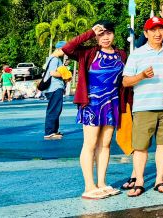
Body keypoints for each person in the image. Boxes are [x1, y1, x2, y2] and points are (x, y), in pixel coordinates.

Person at [62, 21, 128, 199]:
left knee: (105, 144)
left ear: (114, 34)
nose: (105, 37)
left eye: (109, 33)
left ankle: (102, 183)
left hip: (112, 103)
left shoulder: (121, 54)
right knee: (90, 144)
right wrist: (90, 32)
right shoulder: (89, 53)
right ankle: (89, 186)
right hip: (92, 103)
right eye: (101, 34)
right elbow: (67, 48)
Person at [122, 16, 163, 196]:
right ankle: (139, 181)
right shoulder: (137, 54)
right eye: (153, 30)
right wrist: (142, 76)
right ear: (146, 34)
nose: (157, 33)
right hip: (143, 107)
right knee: (140, 147)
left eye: (160, 29)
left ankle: (159, 180)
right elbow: (126, 82)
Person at [43, 43, 68, 140]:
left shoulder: (52, 58)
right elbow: (52, 73)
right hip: (55, 87)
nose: (65, 52)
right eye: (64, 50)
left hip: (53, 87)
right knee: (54, 109)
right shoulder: (55, 59)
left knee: (56, 109)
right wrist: (65, 74)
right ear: (58, 49)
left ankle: (54, 130)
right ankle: (49, 132)